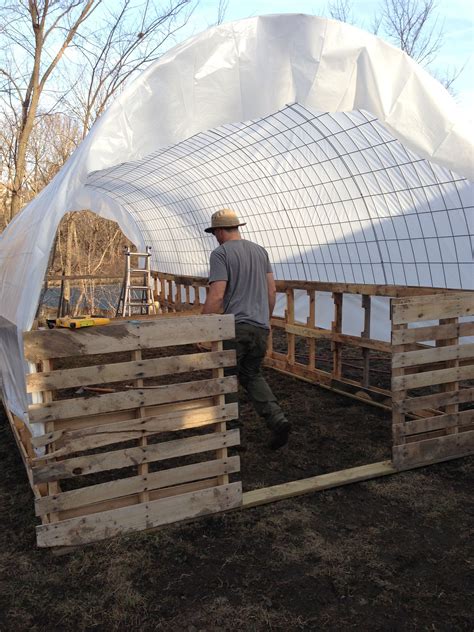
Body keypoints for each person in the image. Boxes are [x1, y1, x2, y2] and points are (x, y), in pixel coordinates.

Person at [202, 208, 291, 449]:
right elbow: (271, 291)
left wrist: (202, 325)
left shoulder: (220, 254)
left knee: (225, 376)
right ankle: (277, 419)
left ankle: (229, 433)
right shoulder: (260, 251)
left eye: (215, 233)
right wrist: (266, 320)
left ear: (219, 231)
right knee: (251, 374)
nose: (215, 237)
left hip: (235, 328)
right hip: (260, 327)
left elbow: (217, 294)